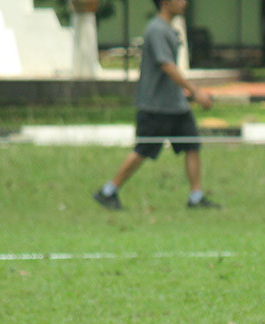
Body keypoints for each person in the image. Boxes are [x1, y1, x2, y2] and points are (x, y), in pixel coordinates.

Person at [93, 0, 219, 211]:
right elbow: (167, 65)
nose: (184, 2)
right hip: (156, 106)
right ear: (165, 3)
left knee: (192, 145)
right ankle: (108, 191)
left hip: (176, 105)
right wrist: (195, 92)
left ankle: (196, 197)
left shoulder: (168, 29)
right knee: (143, 150)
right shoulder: (156, 29)